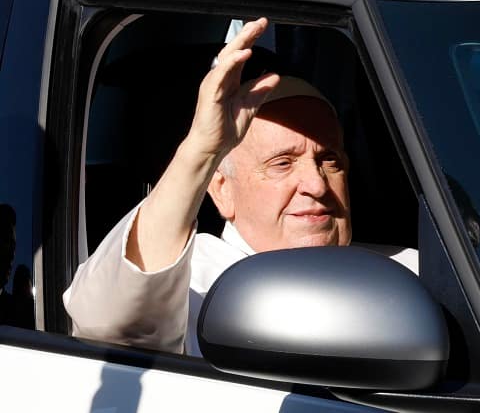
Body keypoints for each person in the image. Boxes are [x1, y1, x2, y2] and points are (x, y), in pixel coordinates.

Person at [63, 18, 417, 355]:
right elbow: (107, 326)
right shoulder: (193, 280)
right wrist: (202, 149)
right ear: (221, 190)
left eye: (330, 161)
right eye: (282, 163)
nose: (316, 184)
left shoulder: (408, 273)